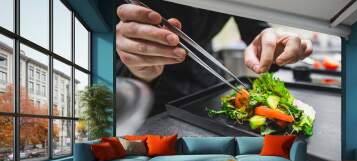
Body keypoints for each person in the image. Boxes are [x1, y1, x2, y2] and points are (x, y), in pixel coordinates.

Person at [116, 1, 313, 115]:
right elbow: (114, 59)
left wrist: (274, 46)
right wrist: (140, 71)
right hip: (152, 98)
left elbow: (256, 29)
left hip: (211, 87)